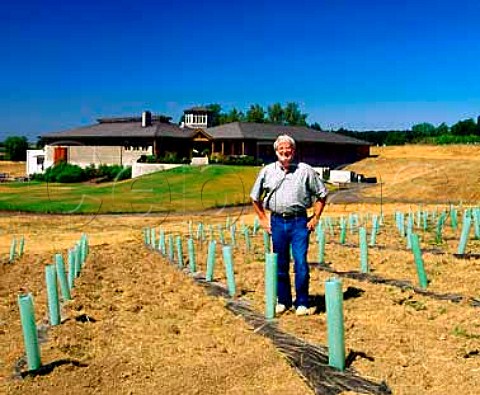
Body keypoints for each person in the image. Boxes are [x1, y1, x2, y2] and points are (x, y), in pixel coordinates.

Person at [250, 134, 328, 316]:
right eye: (281, 149)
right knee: (280, 263)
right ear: (276, 151)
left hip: (299, 222)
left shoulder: (305, 170)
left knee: (301, 262)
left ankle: (302, 302)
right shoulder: (267, 171)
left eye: (289, 149)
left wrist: (315, 217)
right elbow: (255, 197)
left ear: (294, 151)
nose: (285, 152)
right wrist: (263, 219)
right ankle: (283, 300)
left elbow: (322, 194)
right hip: (277, 222)